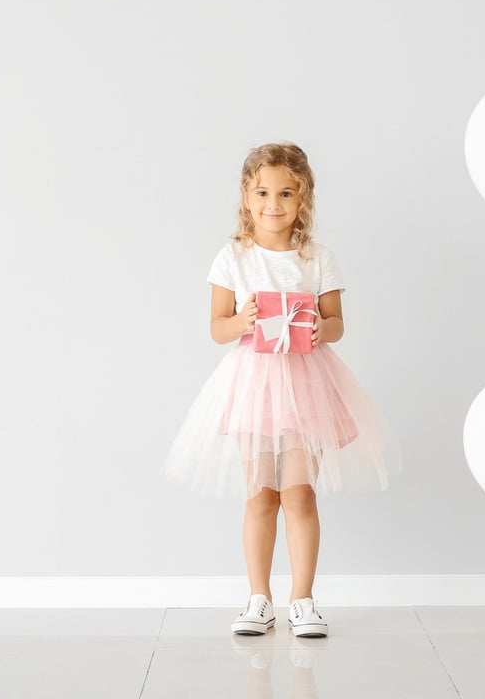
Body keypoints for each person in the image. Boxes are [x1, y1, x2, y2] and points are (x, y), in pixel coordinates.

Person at [164, 142, 400, 638]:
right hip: (254, 385)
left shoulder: (316, 258)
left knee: (300, 495)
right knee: (260, 496)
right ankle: (258, 599)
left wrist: (320, 329)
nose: (274, 204)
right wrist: (243, 319)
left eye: (286, 193)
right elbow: (217, 328)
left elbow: (337, 322)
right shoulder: (234, 256)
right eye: (263, 192)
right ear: (247, 198)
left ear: (303, 198)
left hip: (306, 384)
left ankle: (303, 599)